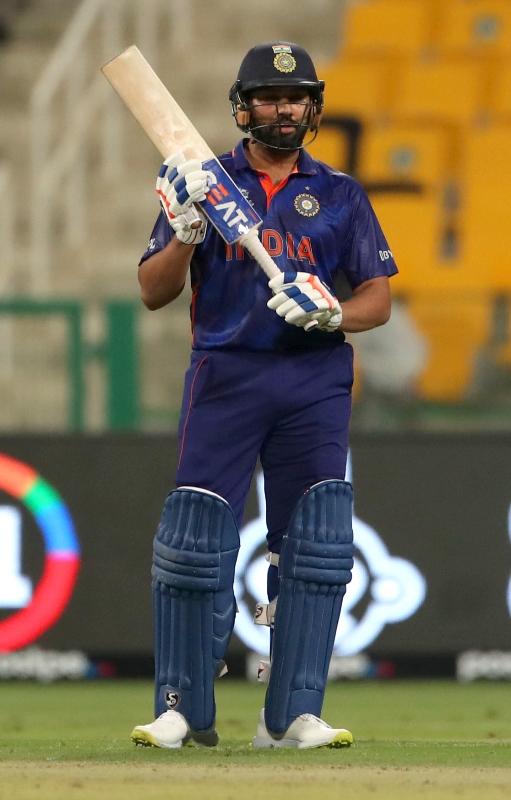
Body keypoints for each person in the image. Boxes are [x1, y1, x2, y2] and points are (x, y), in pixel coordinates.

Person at [131, 41, 397, 750]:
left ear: (311, 107)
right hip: (226, 371)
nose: (282, 108)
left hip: (313, 377)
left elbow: (378, 298)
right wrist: (186, 233)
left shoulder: (339, 192)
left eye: (295, 97)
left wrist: (333, 314)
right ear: (242, 106)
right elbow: (154, 291)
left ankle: (290, 716)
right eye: (268, 97)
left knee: (315, 544)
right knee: (194, 540)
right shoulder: (200, 180)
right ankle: (183, 709)